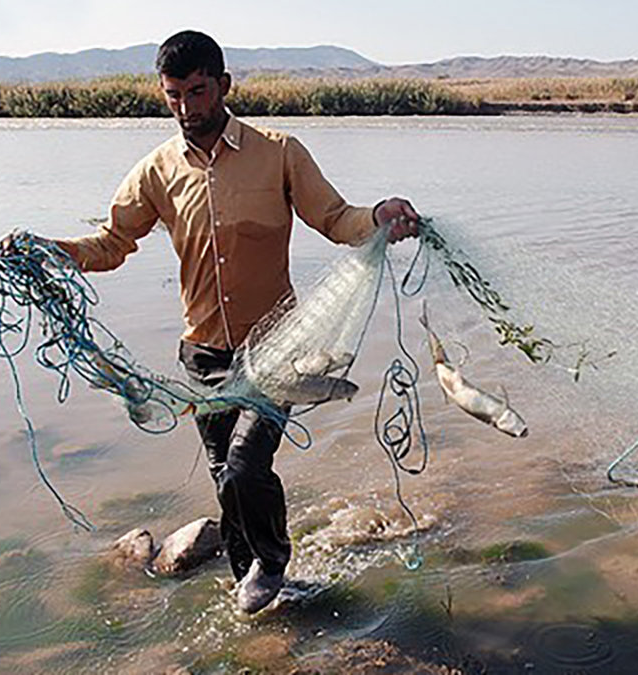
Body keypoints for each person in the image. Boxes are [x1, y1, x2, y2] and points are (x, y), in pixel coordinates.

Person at [32, 30, 420, 614]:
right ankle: (255, 587)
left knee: (244, 465)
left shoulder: (280, 152)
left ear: (224, 86)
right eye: (174, 96)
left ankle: (271, 561)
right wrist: (49, 251)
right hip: (203, 356)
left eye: (197, 91)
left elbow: (337, 219)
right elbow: (112, 244)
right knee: (224, 477)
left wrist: (380, 217)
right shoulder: (156, 171)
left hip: (278, 351)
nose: (187, 108)